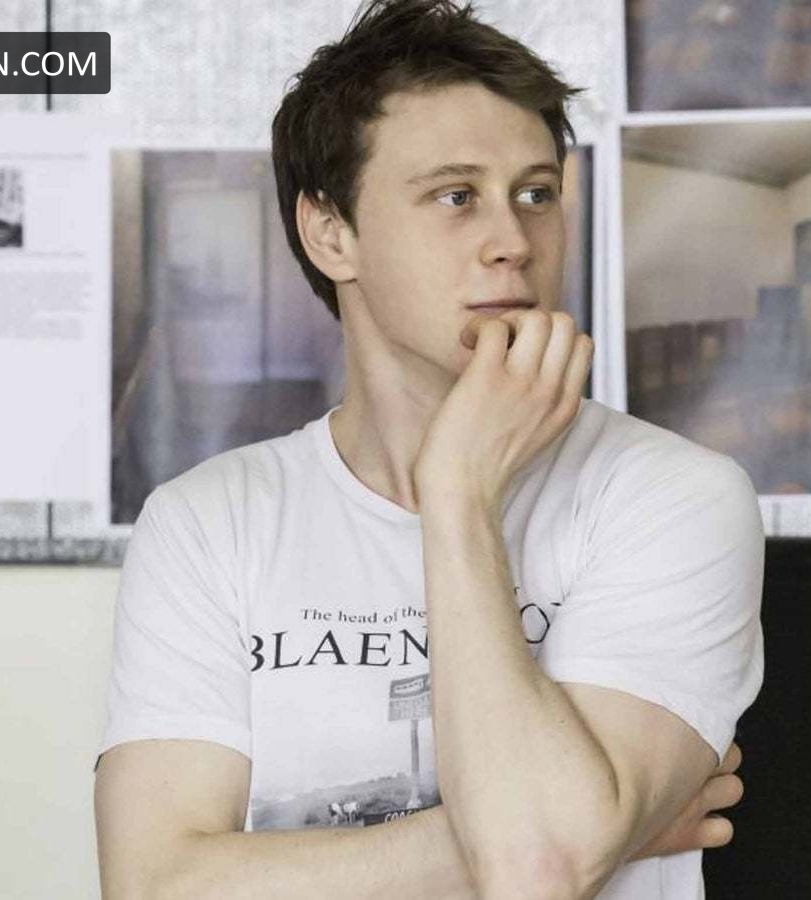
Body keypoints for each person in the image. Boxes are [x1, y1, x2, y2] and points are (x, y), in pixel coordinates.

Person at [93, 2, 764, 898]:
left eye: (536, 194)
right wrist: (596, 828)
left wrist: (457, 495)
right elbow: (155, 887)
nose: (513, 243)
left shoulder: (675, 496)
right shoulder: (207, 523)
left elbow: (536, 872)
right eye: (457, 196)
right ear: (332, 233)